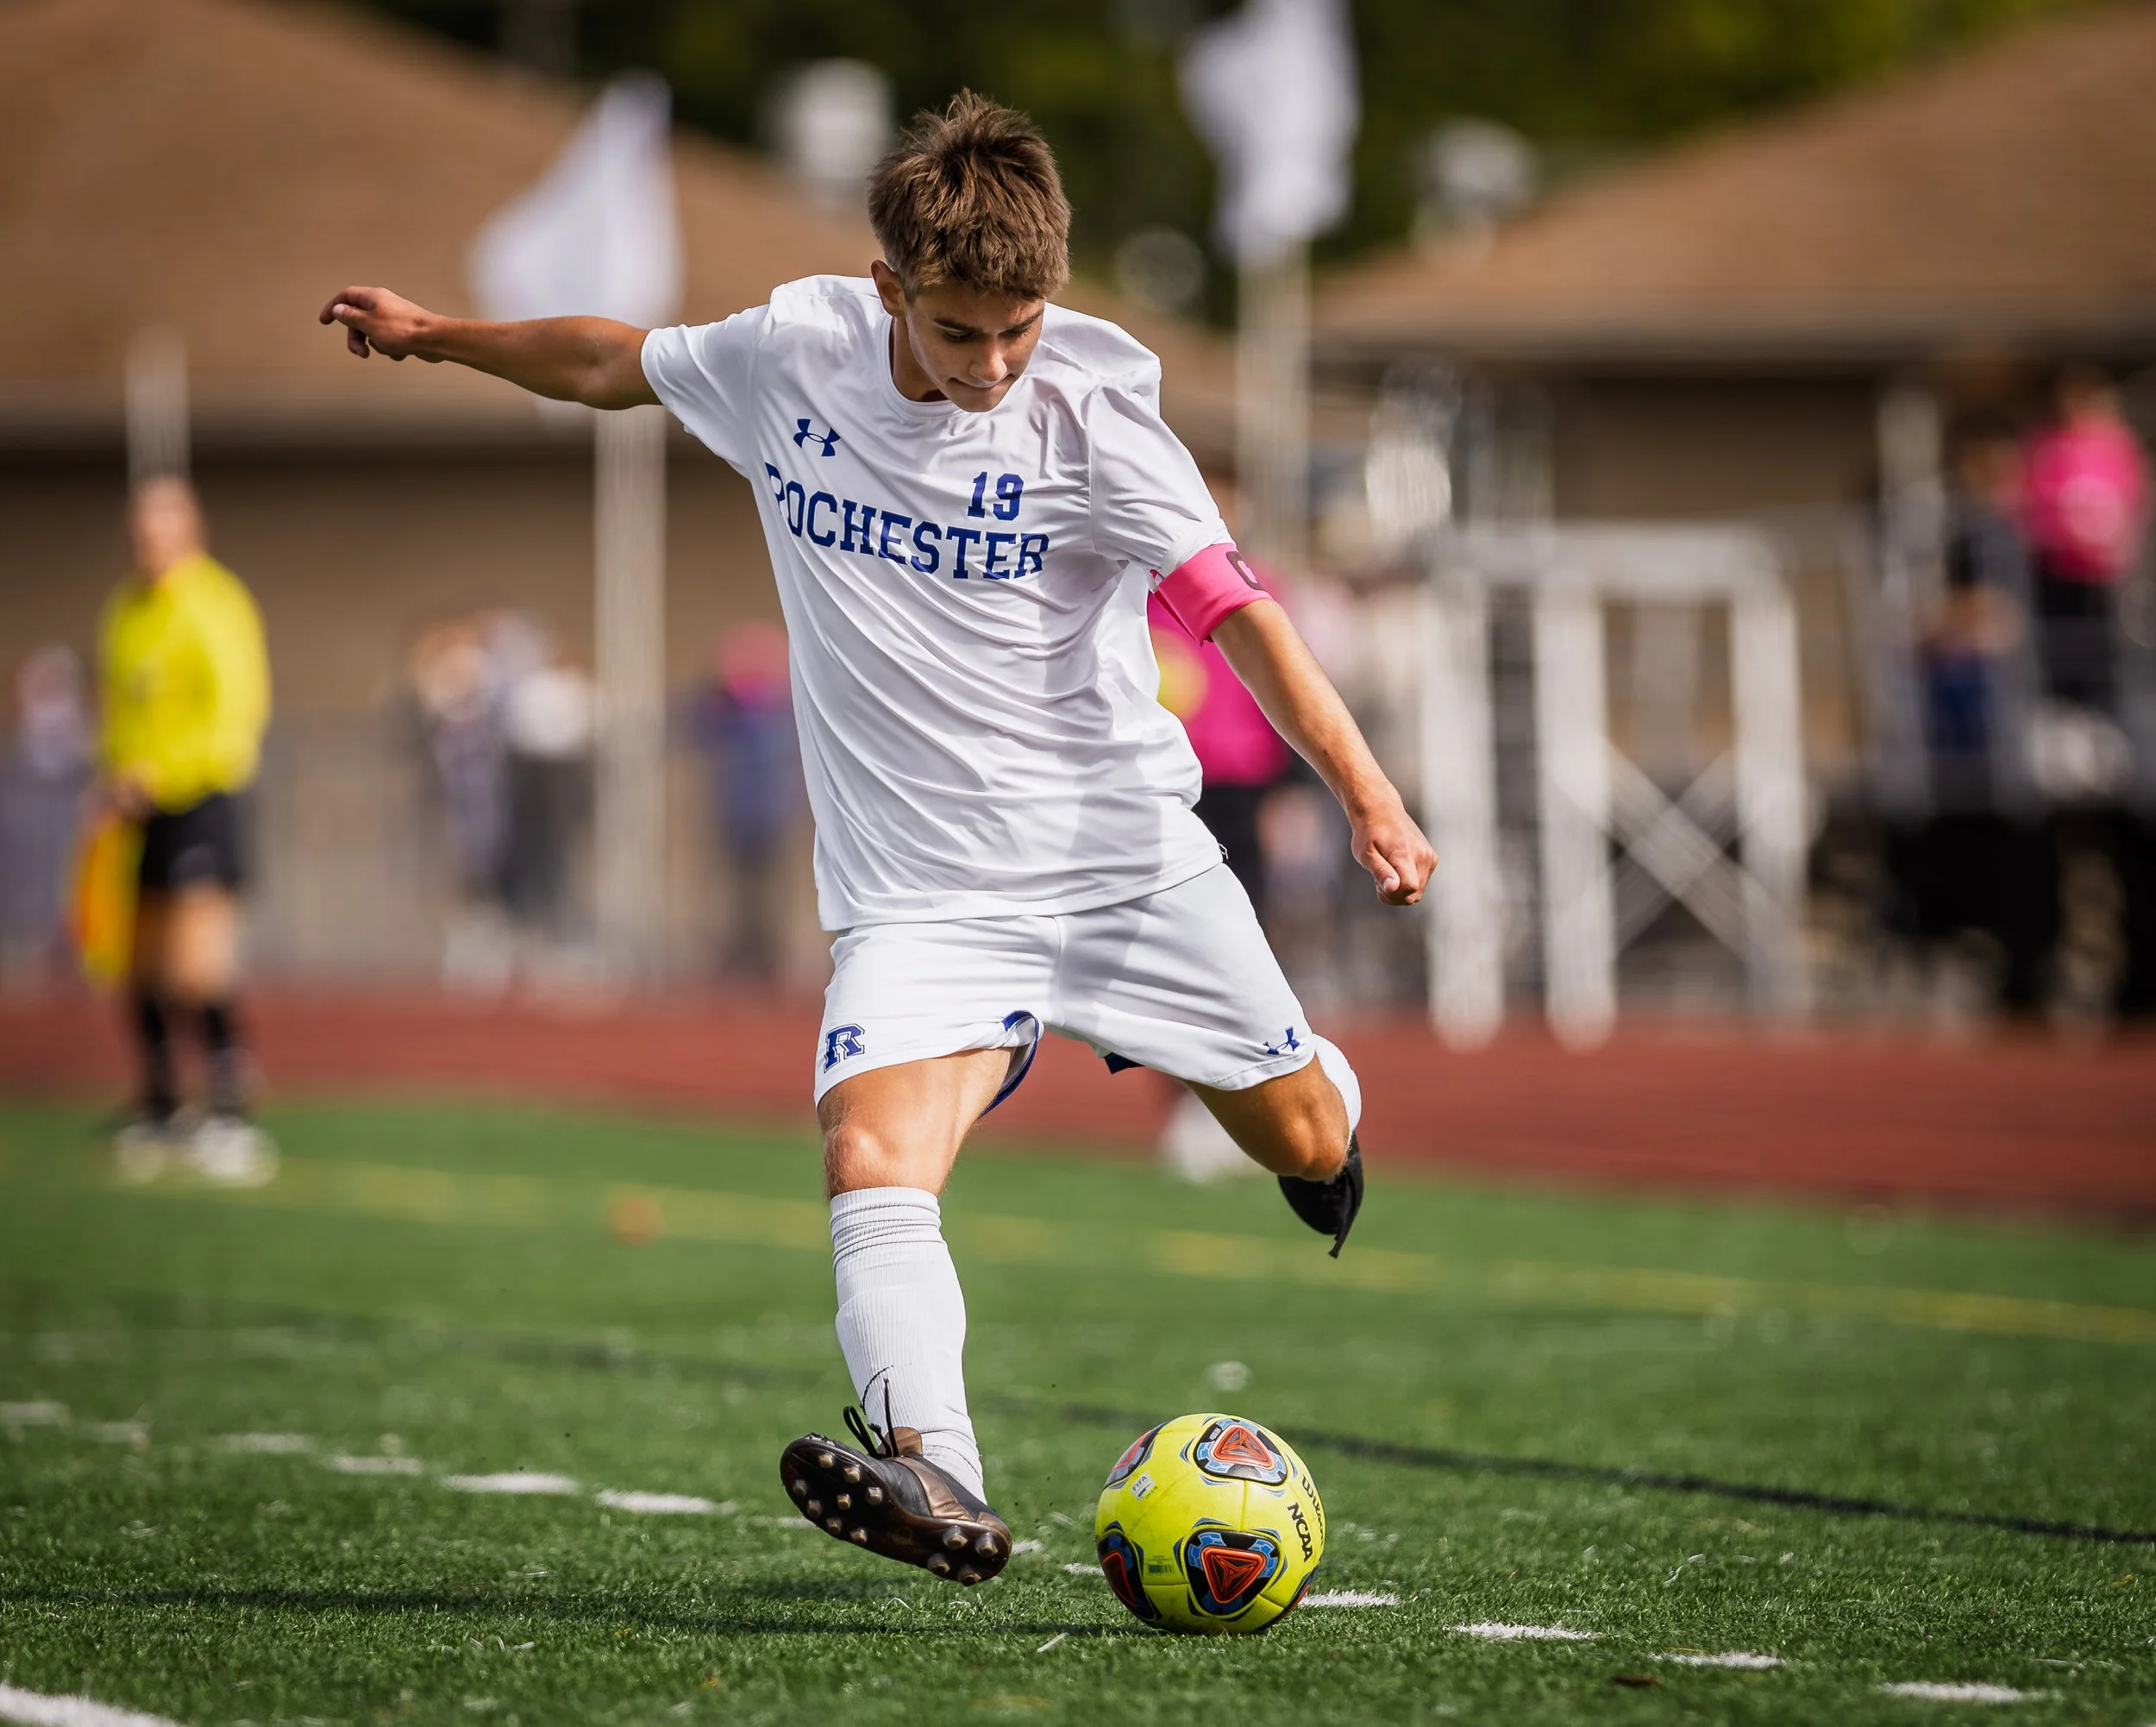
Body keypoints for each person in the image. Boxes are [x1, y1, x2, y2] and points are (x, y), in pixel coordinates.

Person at [319, 93, 1433, 1587]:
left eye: (1018, 329)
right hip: (920, 898)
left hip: (1123, 862)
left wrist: (1370, 793)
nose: (991, 365)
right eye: (961, 329)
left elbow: (1241, 617)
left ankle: (1317, 1099)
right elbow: (610, 361)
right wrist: (438, 332)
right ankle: (941, 1477)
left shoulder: (1099, 416)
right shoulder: (794, 354)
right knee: (868, 1156)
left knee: (1309, 1143)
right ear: (889, 285)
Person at [98, 476, 274, 1183]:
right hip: (137, 805)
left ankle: (231, 1110)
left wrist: (161, 773)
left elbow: (235, 714)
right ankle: (161, 1106)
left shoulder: (217, 603)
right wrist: (115, 774)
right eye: (142, 530)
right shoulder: (125, 610)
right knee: (137, 959)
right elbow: (115, 710)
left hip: (203, 795)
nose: (151, 543)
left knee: (197, 963)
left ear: (190, 530)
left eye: (163, 529)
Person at [685, 621, 803, 980]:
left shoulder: (778, 711)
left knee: (767, 889)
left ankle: (764, 955)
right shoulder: (725, 711)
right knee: (736, 890)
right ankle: (742, 951)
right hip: (736, 813)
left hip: (768, 814)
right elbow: (692, 729)